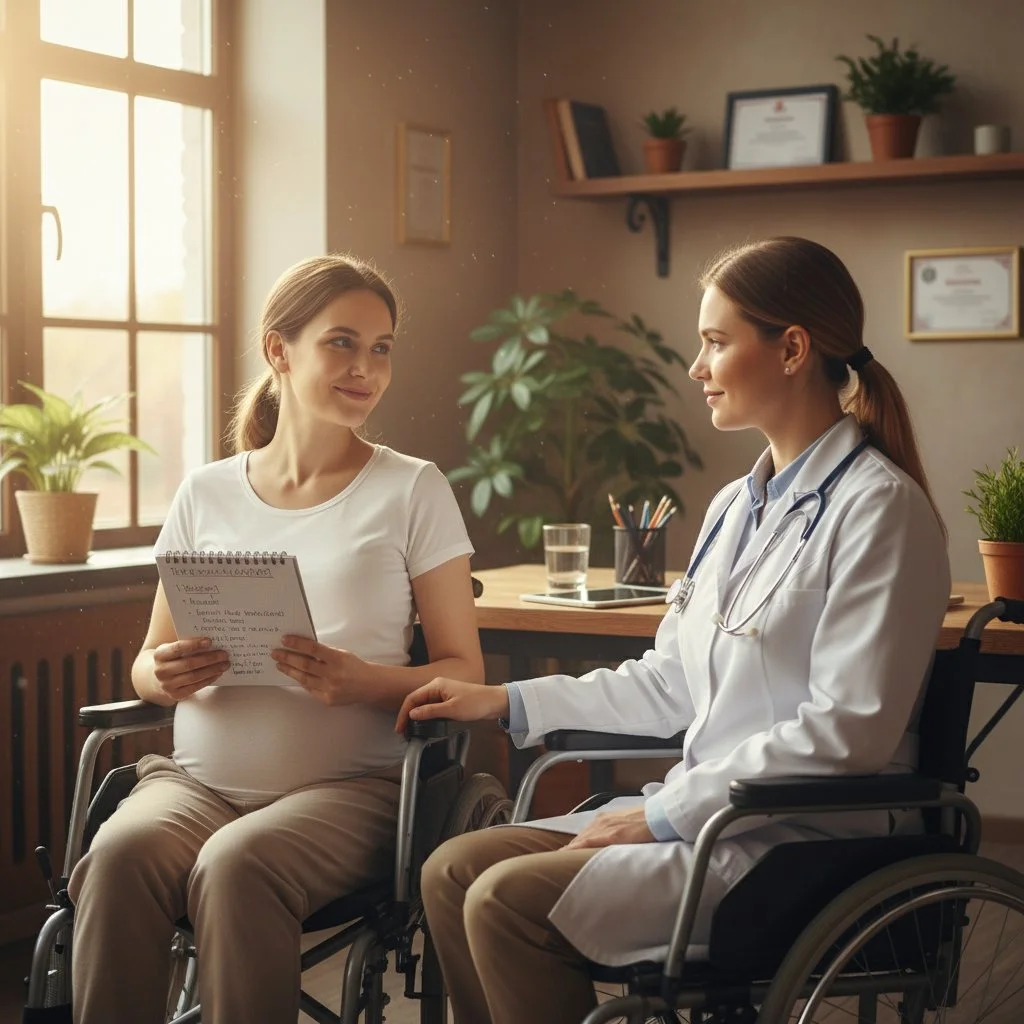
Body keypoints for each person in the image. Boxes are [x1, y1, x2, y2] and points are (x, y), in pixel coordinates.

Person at [396, 237, 952, 1024]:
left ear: (792, 349)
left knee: (503, 902)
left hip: (795, 842)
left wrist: (657, 816)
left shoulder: (880, 510)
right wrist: (501, 700)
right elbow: (669, 683)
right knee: (450, 872)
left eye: (716, 342)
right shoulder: (735, 506)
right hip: (711, 816)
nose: (696, 366)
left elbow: (847, 732)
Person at [67, 254, 484, 1024]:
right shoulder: (207, 490)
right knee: (119, 855)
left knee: (236, 866)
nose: (366, 368)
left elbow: (465, 668)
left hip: (350, 794)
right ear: (278, 351)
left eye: (382, 347)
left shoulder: (412, 488)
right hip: (196, 786)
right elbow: (145, 668)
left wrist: (364, 680)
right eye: (343, 343)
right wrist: (167, 673)